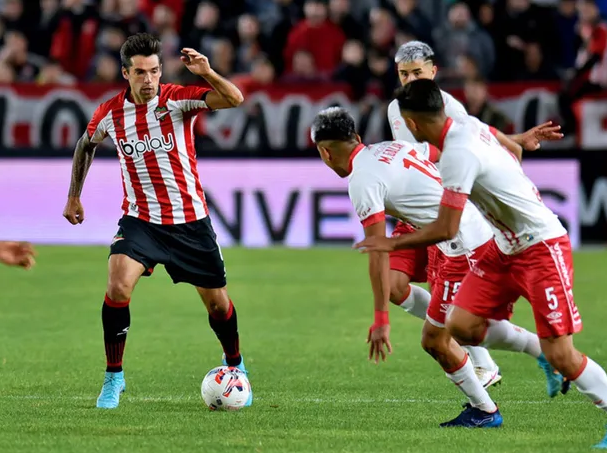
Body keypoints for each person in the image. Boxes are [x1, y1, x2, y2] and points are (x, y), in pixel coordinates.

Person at [355, 79, 607, 448]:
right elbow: (508, 148)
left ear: (411, 125)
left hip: (540, 245)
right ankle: (535, 350)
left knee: (563, 354)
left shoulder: (458, 154)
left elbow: (446, 227)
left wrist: (391, 242)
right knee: (463, 326)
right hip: (503, 246)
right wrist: (521, 140)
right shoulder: (469, 126)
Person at [310, 107, 564, 428]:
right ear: (357, 138)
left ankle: (501, 394)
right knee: (454, 327)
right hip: (459, 235)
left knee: (440, 338)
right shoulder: (393, 147)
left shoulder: (362, 181)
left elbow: (378, 252)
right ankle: (497, 391)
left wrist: (380, 320)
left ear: (325, 152)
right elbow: (443, 149)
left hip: (464, 244)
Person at [62, 33, 250, 410]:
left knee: (217, 305)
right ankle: (114, 376)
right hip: (140, 221)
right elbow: (86, 144)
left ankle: (236, 366)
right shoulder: (110, 113)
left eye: (154, 71)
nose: (148, 80)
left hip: (190, 221)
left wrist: (208, 72)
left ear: (161, 70)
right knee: (117, 284)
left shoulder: (176, 100)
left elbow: (234, 99)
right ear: (125, 74)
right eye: (140, 73)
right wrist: (73, 194)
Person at [384, 40, 562, 387]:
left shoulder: (448, 107)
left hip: (445, 210)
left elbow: (470, 144)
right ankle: (487, 357)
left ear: (433, 71)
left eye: (417, 72)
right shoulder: (397, 108)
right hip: (418, 207)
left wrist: (512, 145)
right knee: (393, 286)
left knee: (449, 302)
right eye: (404, 74)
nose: (410, 79)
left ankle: (486, 363)